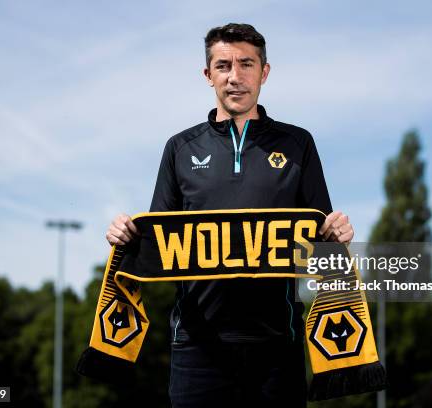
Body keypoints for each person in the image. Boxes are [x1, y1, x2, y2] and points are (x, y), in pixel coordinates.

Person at [105, 23, 354, 408]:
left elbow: (320, 241)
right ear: (208, 75)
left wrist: (336, 231)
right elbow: (159, 243)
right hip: (196, 347)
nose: (235, 77)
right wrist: (126, 234)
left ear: (264, 72)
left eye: (246, 64)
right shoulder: (179, 148)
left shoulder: (297, 143)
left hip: (277, 345)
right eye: (223, 65)